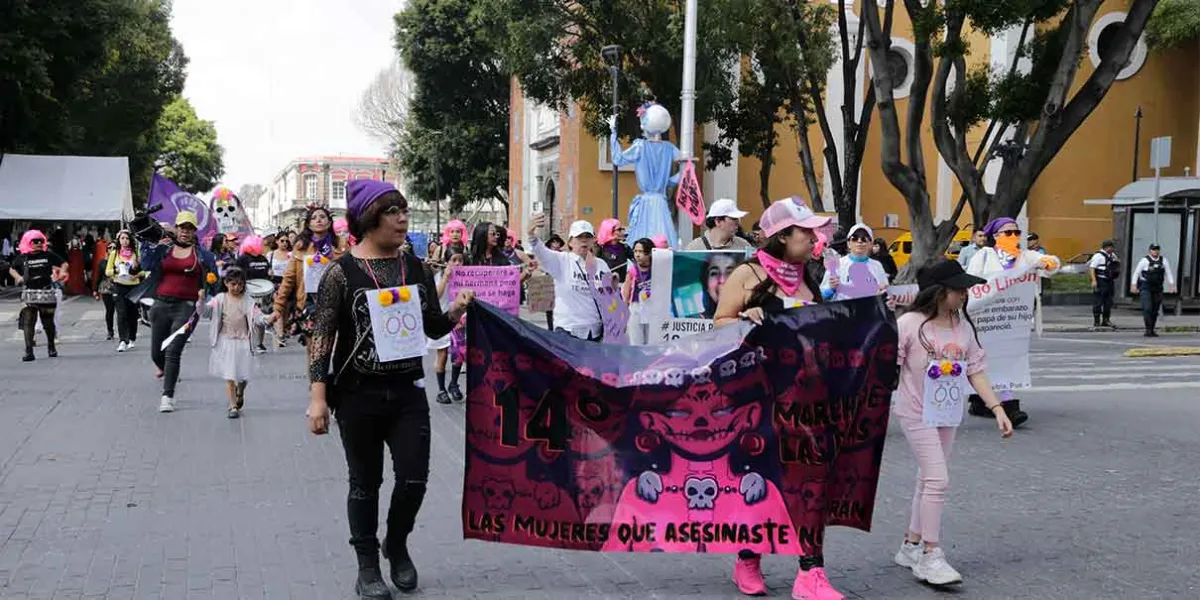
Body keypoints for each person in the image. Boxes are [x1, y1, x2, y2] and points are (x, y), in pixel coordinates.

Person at [306, 180, 473, 599]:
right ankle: (367, 566)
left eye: (403, 210)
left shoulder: (413, 267)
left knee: (414, 478)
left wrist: (456, 309)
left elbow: (432, 325)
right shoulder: (340, 274)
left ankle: (396, 545)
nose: (402, 219)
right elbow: (321, 337)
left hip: (407, 392)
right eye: (392, 211)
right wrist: (318, 397)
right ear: (368, 218)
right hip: (357, 395)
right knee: (365, 482)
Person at [711, 197, 844, 600]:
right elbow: (719, 324)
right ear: (782, 235)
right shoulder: (747, 274)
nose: (813, 237)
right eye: (805, 231)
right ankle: (748, 560)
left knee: (812, 485)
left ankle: (811, 572)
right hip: (760, 399)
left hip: (808, 399)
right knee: (762, 482)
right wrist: (743, 319)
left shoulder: (809, 277)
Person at [892, 259, 1013, 586]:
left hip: (947, 412)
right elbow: (888, 368)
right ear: (938, 291)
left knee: (927, 479)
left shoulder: (962, 325)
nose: (964, 293)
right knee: (938, 480)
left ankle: (911, 544)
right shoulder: (909, 324)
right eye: (958, 288)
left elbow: (975, 369)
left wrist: (997, 408)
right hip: (916, 411)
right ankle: (931, 555)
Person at [966, 217, 1060, 428]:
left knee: (1008, 356)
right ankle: (980, 399)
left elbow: (1050, 264)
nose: (1013, 237)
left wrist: (1050, 262)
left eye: (1016, 233)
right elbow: (971, 282)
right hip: (986, 317)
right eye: (1007, 233)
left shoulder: (1025, 257)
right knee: (984, 358)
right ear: (996, 236)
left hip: (1013, 318)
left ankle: (1009, 404)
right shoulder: (983, 256)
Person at [140, 211, 220, 412]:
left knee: (173, 349)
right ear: (176, 228)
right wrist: (150, 243)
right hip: (160, 305)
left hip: (187, 307)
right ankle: (168, 372)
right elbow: (145, 264)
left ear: (195, 231)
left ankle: (167, 395)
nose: (185, 231)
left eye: (190, 228)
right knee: (156, 353)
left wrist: (206, 290)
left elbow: (215, 282)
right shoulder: (164, 249)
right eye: (182, 227)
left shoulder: (204, 255)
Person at [271, 205, 349, 348]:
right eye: (314, 218)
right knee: (314, 352)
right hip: (310, 304)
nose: (318, 220)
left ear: (329, 222)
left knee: (336, 349)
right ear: (309, 224)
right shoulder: (300, 247)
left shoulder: (341, 244)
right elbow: (288, 279)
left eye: (322, 217)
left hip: (338, 303)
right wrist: (278, 307)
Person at [528, 215, 612, 341]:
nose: (584, 241)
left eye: (587, 237)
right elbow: (541, 252)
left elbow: (609, 296)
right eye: (579, 237)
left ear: (593, 241)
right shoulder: (561, 260)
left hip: (594, 331)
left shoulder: (601, 265)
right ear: (571, 241)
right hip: (567, 330)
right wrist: (531, 235)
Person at [207, 267, 266, 418]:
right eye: (233, 284)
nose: (237, 287)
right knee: (230, 374)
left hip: (244, 342)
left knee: (243, 375)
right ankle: (232, 405)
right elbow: (205, 311)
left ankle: (240, 391)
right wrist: (200, 301)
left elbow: (257, 316)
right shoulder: (220, 299)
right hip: (226, 341)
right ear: (226, 283)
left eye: (240, 284)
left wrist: (267, 319)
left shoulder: (248, 300)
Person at [10, 230, 68, 362]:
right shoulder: (23, 257)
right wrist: (18, 277)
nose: (39, 244)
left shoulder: (48, 255)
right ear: (28, 242)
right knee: (28, 320)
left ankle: (51, 346)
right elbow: (12, 268)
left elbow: (64, 263)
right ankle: (29, 351)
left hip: (46, 291)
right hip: (30, 292)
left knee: (48, 321)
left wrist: (63, 273)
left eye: (41, 241)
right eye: (35, 241)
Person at [820, 223, 891, 301]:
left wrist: (883, 293)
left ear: (870, 244)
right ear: (848, 243)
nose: (859, 241)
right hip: (844, 311)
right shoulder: (838, 265)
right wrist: (831, 289)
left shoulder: (877, 266)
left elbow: (886, 293)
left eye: (864, 239)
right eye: (854, 238)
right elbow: (820, 297)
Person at [429, 251, 464, 404]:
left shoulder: (466, 279)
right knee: (442, 356)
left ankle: (454, 384)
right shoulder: (438, 277)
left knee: (458, 356)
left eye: (460, 260)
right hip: (442, 320)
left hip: (460, 323)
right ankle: (441, 389)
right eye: (454, 260)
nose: (457, 264)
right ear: (446, 262)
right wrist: (445, 278)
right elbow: (435, 297)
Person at [106, 230, 144, 352]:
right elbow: (108, 271)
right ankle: (123, 340)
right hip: (119, 285)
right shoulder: (114, 253)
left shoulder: (136, 253)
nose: (125, 241)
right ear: (119, 240)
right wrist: (117, 271)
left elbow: (144, 270)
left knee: (132, 314)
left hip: (133, 286)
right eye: (122, 238)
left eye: (127, 238)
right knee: (121, 313)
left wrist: (136, 275)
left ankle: (132, 337)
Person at [1130, 243, 1176, 337]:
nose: (1155, 251)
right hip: (1146, 287)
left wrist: (1172, 285)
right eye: (1153, 249)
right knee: (1147, 308)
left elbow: (1168, 273)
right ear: (1150, 251)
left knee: (1155, 309)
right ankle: (1148, 329)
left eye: (1157, 249)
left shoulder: (1163, 260)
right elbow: (1136, 273)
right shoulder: (1144, 261)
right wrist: (1134, 285)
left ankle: (1151, 329)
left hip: (1158, 288)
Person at [236, 235, 272, 352]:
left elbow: (268, 273)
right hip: (248, 292)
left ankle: (259, 343)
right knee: (249, 318)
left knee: (261, 319)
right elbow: (236, 274)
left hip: (264, 293)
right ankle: (247, 343)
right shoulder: (243, 259)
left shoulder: (263, 258)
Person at [621, 238, 655, 345]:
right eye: (635, 251)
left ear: (649, 253)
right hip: (636, 309)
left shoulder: (658, 268)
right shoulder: (632, 271)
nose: (637, 255)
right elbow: (626, 295)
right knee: (636, 341)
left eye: (640, 251)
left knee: (652, 341)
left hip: (653, 309)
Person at [686, 198, 753, 251]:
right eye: (733, 218)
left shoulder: (744, 246)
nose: (738, 223)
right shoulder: (695, 247)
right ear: (718, 221)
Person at [1087, 240, 1120, 328]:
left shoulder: (1112, 256)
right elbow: (1092, 268)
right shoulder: (1098, 256)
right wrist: (1094, 281)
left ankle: (1106, 320)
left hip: (1109, 281)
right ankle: (1096, 320)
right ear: (1107, 247)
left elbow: (1116, 264)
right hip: (1100, 281)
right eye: (1111, 247)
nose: (1113, 249)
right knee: (1098, 301)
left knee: (1108, 302)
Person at [268, 232, 293, 347]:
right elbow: (266, 269)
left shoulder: (291, 255)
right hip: (276, 283)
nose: (284, 243)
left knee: (286, 311)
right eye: (282, 241)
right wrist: (269, 272)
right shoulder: (271, 255)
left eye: (286, 241)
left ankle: (282, 329)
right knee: (279, 308)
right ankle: (280, 335)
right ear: (277, 241)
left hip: (288, 283)